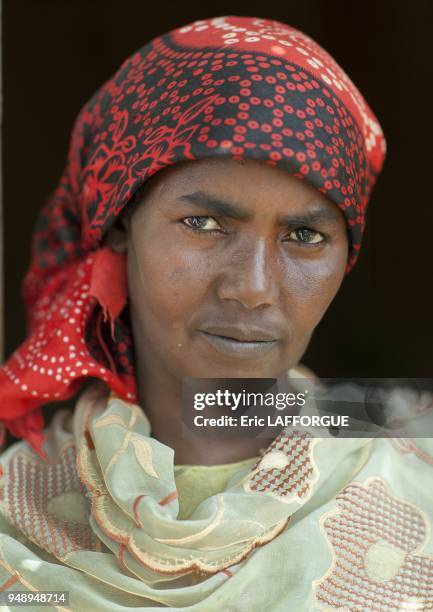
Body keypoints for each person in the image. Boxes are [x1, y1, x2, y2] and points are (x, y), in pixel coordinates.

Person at [0, 15, 431, 611]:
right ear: (120, 226)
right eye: (203, 224)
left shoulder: (421, 494)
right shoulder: (12, 515)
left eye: (305, 235)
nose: (252, 288)